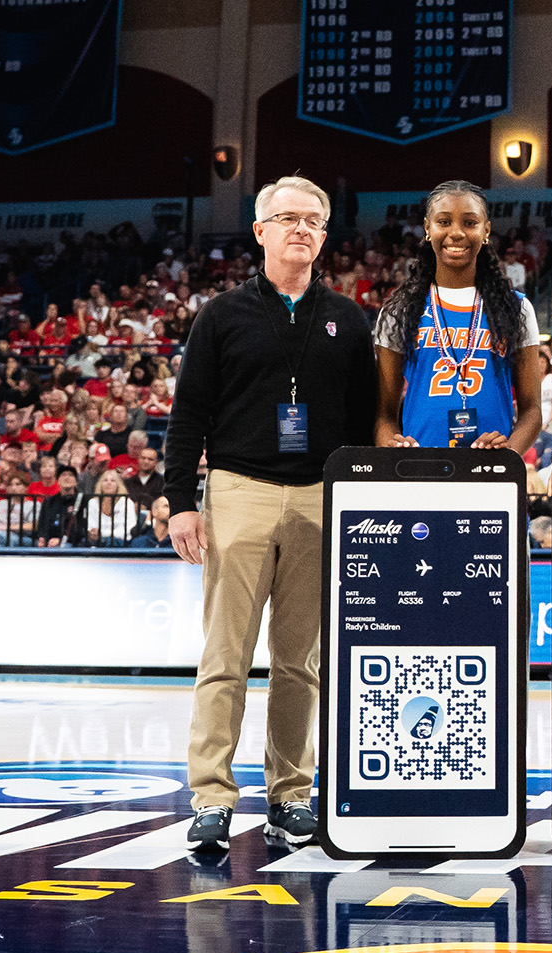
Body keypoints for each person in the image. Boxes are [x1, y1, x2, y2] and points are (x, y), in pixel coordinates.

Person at [165, 176, 379, 854]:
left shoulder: (348, 317)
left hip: (321, 494)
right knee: (225, 656)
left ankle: (291, 795)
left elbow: (365, 423)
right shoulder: (222, 315)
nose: (300, 229)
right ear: (259, 232)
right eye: (286, 218)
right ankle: (211, 798)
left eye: (312, 219)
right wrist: (178, 502)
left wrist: (361, 503)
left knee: (300, 662)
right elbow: (188, 412)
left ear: (324, 234)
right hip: (239, 490)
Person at [373, 181, 544, 454]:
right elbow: (384, 415)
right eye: (444, 222)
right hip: (420, 466)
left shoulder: (516, 308)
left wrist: (508, 454)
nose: (456, 233)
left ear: (485, 230)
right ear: (428, 229)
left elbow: (532, 411)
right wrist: (394, 447)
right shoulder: (400, 310)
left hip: (492, 470)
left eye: (469, 222)